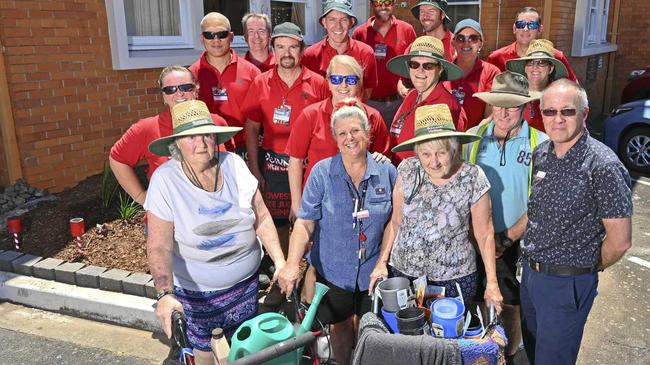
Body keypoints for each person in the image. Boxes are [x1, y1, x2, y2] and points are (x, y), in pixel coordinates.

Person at [145, 100, 286, 365]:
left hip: (246, 287)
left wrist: (279, 260)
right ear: (177, 144)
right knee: (207, 357)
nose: (201, 143)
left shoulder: (233, 164)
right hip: (200, 298)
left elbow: (262, 216)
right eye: (191, 137)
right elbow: (159, 246)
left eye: (207, 134)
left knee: (243, 350)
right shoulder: (165, 180)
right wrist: (164, 294)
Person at [519, 79, 632, 365]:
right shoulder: (542, 154)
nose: (557, 119)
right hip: (531, 278)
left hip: (566, 283)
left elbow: (620, 241)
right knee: (533, 352)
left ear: (584, 113)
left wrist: (587, 267)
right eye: (549, 111)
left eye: (567, 112)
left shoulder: (602, 165)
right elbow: (538, 211)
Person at [278, 104, 397, 365]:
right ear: (335, 138)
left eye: (355, 130)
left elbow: (393, 222)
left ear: (368, 134)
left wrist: (382, 262)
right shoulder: (322, 173)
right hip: (334, 269)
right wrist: (291, 263)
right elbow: (305, 222)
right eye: (341, 134)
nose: (349, 138)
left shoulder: (387, 172)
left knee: (372, 331)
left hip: (373, 271)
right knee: (341, 326)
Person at [369, 104, 503, 311]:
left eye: (441, 153)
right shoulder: (407, 169)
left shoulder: (472, 176)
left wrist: (492, 283)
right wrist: (381, 262)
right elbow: (396, 223)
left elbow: (484, 234)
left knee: (449, 339)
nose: (434, 162)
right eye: (426, 154)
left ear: (453, 147)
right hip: (404, 275)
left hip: (455, 279)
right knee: (407, 339)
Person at [466, 71, 547, 364]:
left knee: (512, 305)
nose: (503, 112)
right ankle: (477, 355)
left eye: (511, 105)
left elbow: (542, 202)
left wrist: (508, 237)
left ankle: (510, 357)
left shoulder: (542, 143)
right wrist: (478, 238)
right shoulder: (472, 138)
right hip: (475, 240)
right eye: (498, 104)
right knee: (474, 299)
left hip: (517, 243)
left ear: (525, 107)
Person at [241, 22, 328, 254]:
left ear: (302, 50)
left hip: (309, 165)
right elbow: (251, 128)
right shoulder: (261, 82)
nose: (287, 53)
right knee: (277, 221)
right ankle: (280, 266)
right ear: (273, 50)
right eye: (280, 47)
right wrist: (254, 168)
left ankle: (309, 266)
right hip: (273, 163)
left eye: (293, 47)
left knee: (309, 220)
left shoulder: (319, 83)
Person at [286, 55, 391, 222]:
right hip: (318, 201)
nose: (343, 85)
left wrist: (381, 158)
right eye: (336, 79)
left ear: (360, 82)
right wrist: (297, 205)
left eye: (350, 79)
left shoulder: (373, 117)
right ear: (328, 82)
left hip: (360, 203)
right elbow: (295, 161)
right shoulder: (311, 115)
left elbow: (382, 162)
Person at [109, 65, 231, 206]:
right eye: (170, 89)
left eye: (186, 87)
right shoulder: (147, 128)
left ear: (196, 90)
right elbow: (118, 159)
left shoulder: (216, 123)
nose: (179, 94)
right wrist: (142, 197)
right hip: (170, 217)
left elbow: (227, 166)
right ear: (163, 96)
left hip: (218, 208)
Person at [386, 35, 467, 165]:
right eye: (414, 64)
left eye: (428, 65)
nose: (420, 70)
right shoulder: (412, 96)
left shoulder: (447, 105)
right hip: (399, 175)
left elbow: (448, 160)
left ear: (440, 69)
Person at [190, 12, 261, 157]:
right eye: (209, 34)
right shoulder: (191, 75)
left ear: (231, 36)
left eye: (222, 34)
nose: (216, 40)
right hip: (206, 149)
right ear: (201, 38)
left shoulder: (252, 72)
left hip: (245, 149)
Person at [352, 0, 416, 125]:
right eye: (378, 2)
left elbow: (415, 63)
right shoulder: (359, 33)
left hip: (399, 102)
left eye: (387, 2)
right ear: (371, 5)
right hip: (369, 103)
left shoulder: (407, 30)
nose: (383, 6)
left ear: (394, 3)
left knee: (397, 142)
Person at [301, 0, 378, 99]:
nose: (338, 26)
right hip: (322, 113)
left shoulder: (365, 52)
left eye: (343, 20)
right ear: (324, 22)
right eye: (332, 20)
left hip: (354, 112)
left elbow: (367, 90)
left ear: (351, 22)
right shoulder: (310, 55)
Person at [486, 6, 577, 82]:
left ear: (540, 30)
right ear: (514, 28)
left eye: (532, 25)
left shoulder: (555, 56)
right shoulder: (496, 58)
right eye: (520, 24)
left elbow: (574, 88)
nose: (525, 29)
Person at [445, 19, 500, 130]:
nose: (467, 42)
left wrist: (473, 136)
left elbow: (491, 115)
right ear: (453, 43)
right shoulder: (443, 72)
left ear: (481, 43)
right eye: (461, 38)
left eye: (473, 38)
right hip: (445, 140)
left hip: (477, 139)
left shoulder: (491, 73)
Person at [505, 39, 569, 132]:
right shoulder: (513, 95)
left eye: (542, 63)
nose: (535, 67)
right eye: (530, 62)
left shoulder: (561, 96)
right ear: (525, 68)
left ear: (550, 68)